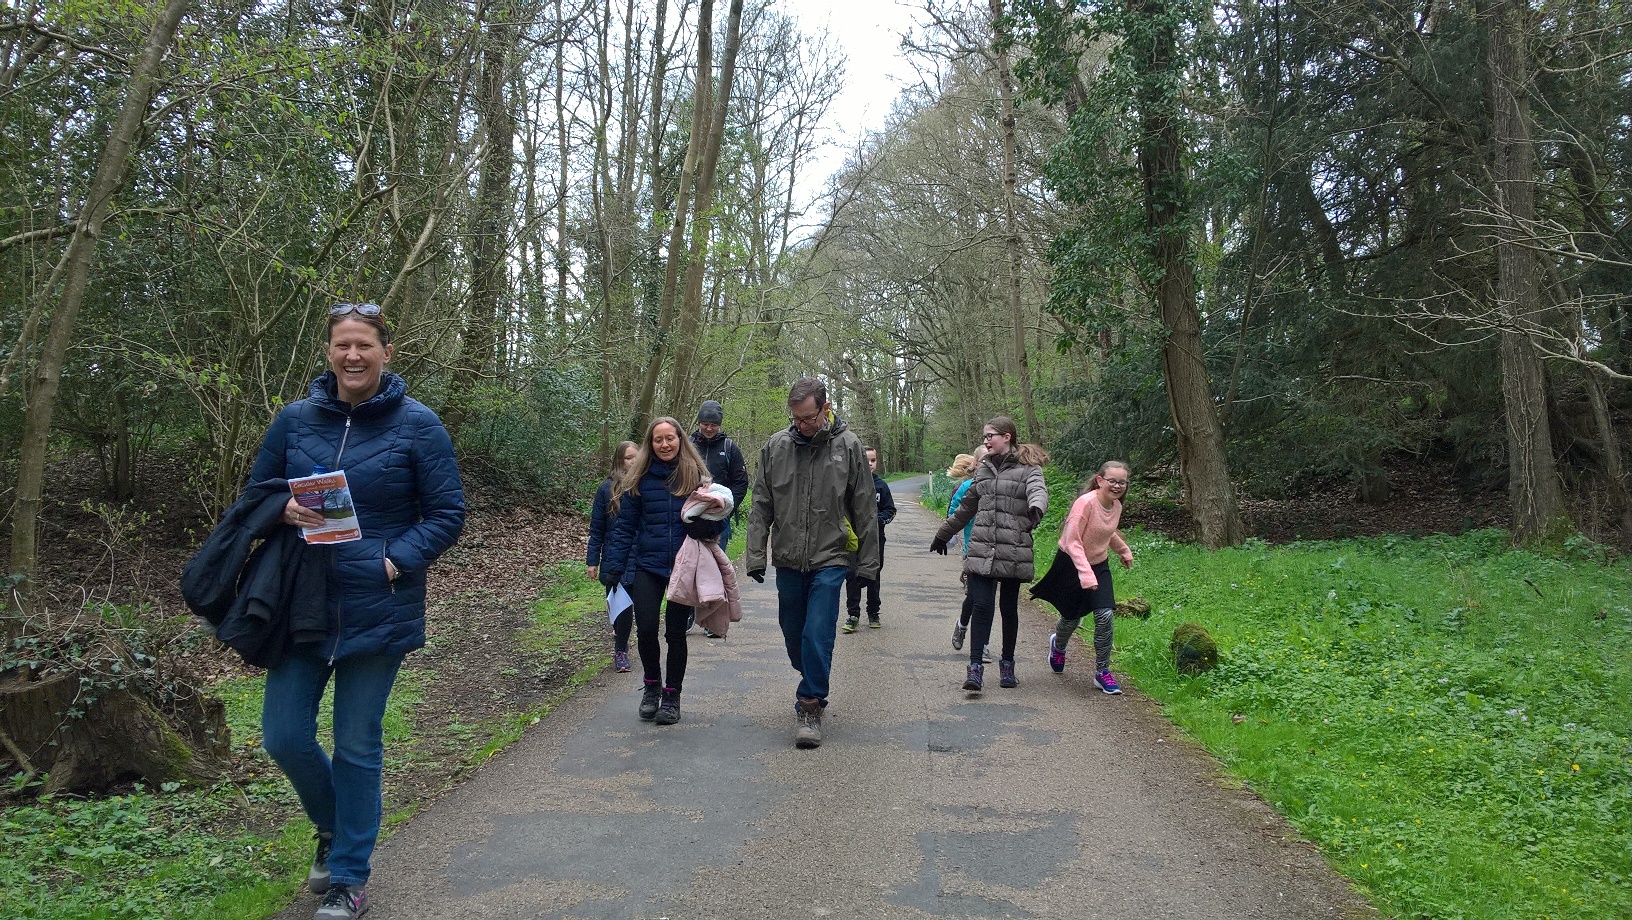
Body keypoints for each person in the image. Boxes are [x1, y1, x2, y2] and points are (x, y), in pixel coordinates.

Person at [252, 302, 466, 920]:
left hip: (380, 604)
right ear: (328, 352)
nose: (353, 355)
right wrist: (280, 509)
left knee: (356, 743)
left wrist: (393, 560)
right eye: (342, 345)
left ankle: (348, 877)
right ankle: (333, 825)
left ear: (385, 353)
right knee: (284, 736)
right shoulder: (294, 421)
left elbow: (447, 513)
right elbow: (257, 493)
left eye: (364, 345)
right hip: (302, 601)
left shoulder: (418, 424)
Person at [746, 377, 879, 748]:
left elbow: (864, 507)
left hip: (831, 555)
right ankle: (810, 674)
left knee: (817, 632)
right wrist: (755, 555)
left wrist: (868, 564)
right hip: (788, 556)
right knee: (794, 634)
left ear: (825, 408)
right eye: (795, 418)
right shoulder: (776, 446)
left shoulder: (848, 446)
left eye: (807, 418)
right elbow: (761, 504)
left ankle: (810, 705)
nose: (801, 425)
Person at [602, 417, 723, 725]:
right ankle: (652, 687)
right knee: (645, 629)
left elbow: (717, 517)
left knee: (675, 633)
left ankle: (672, 696)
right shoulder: (639, 479)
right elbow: (625, 527)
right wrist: (613, 565)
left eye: (670, 438)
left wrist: (706, 528)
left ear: (680, 440)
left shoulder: (695, 476)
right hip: (648, 565)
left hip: (683, 567)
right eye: (659, 439)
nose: (665, 444)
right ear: (651, 444)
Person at [931, 417, 1047, 693]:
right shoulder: (983, 470)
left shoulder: (1028, 469)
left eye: (990, 436)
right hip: (982, 548)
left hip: (1013, 547)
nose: (986, 441)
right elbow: (965, 509)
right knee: (981, 606)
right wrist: (943, 534)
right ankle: (975, 669)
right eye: (984, 436)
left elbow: (1038, 491)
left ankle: (1007, 663)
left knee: (1008, 608)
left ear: (1007, 437)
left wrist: (1036, 508)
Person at [1031, 461, 1134, 693]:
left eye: (1122, 482)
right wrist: (1085, 573)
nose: (1117, 486)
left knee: (1105, 614)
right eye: (1112, 481)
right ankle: (1058, 645)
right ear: (1100, 480)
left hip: (1098, 564)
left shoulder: (1116, 505)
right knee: (1071, 618)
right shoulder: (1085, 504)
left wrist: (1123, 550)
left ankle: (1102, 671)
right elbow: (1072, 541)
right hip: (1071, 564)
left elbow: (1107, 532)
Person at [587, 440, 638, 672]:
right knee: (620, 605)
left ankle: (623, 645)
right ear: (619, 461)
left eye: (636, 457)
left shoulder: (644, 486)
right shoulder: (606, 490)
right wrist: (592, 561)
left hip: (639, 555)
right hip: (614, 556)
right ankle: (621, 649)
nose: (633, 462)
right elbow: (597, 528)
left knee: (634, 605)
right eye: (628, 458)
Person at [843, 446, 896, 632]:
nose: (869, 464)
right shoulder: (850, 485)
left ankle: (873, 611)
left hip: (875, 539)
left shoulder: (881, 486)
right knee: (851, 574)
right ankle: (853, 614)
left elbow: (890, 510)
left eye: (872, 460)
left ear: (877, 462)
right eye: (865, 461)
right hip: (854, 538)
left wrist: (877, 521)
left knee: (873, 573)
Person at [946, 447, 991, 661]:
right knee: (974, 597)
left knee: (986, 601)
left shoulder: (1002, 485)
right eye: (984, 461)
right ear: (975, 464)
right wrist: (949, 533)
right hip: (972, 548)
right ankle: (963, 624)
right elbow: (953, 511)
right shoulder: (966, 486)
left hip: (995, 550)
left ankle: (983, 645)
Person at [689, 399, 750, 548]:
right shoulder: (688, 445)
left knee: (716, 560)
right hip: (690, 515)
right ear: (699, 423)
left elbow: (741, 483)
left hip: (719, 518)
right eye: (705, 424)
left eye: (714, 424)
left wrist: (726, 509)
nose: (709, 428)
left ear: (720, 424)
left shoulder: (729, 448)